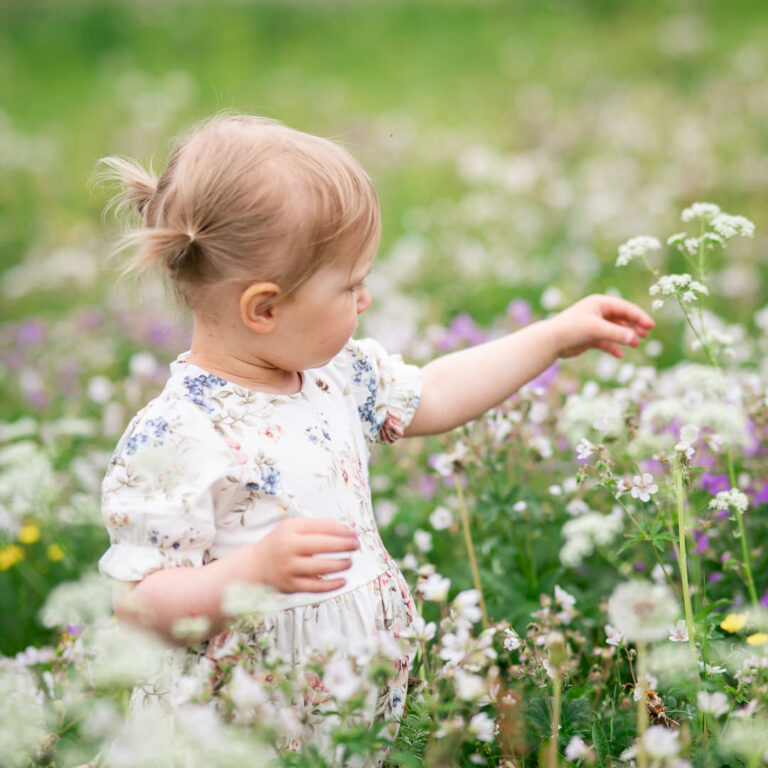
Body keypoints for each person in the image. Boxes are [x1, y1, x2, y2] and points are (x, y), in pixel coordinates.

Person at [98, 114, 653, 762]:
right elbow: (139, 605)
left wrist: (553, 336)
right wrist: (250, 574)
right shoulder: (179, 432)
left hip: (339, 717)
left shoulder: (335, 375)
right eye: (350, 286)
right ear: (265, 308)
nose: (364, 302)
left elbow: (439, 394)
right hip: (224, 738)